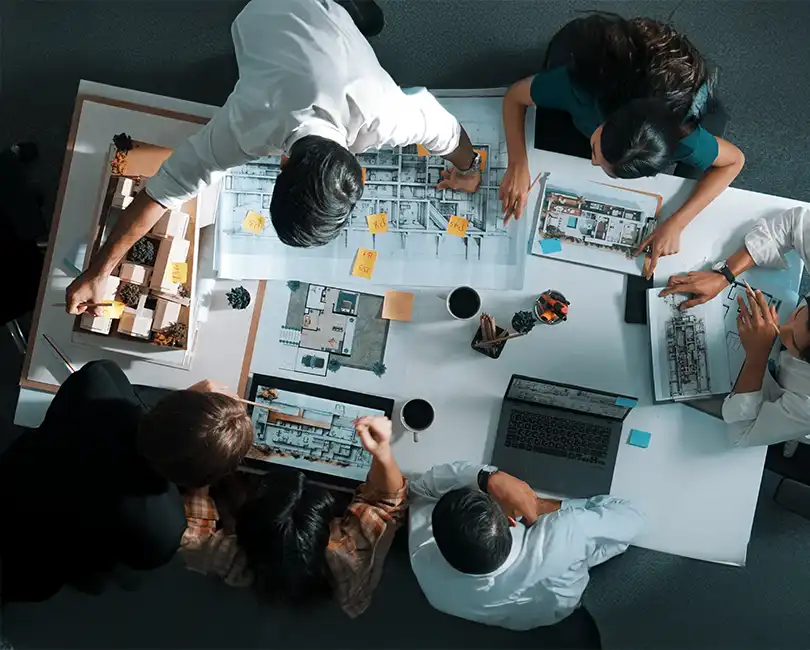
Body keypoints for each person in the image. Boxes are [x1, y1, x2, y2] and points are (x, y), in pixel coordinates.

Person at [65, 0, 482, 315]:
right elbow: (160, 193)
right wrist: (96, 272)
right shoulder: (248, 123)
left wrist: (470, 169)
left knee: (365, 21)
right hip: (261, 10)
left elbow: (449, 134)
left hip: (286, 16)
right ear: (281, 165)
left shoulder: (389, 114)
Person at [500, 13, 745, 279]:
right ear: (603, 123)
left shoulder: (681, 136)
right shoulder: (578, 90)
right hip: (606, 65)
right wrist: (517, 163)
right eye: (597, 153)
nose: (593, 162)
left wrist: (678, 222)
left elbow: (734, 161)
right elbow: (515, 96)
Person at [0, 360, 253, 602]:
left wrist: (189, 405)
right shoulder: (162, 531)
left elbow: (134, 410)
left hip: (14, 479)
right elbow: (135, 557)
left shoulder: (98, 381)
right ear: (201, 481)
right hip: (34, 563)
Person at [180, 415, 407, 618]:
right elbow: (388, 502)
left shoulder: (233, 557)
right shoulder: (351, 558)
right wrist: (382, 451)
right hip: (340, 584)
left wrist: (207, 458)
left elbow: (190, 539)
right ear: (327, 530)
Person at [408, 462, 645, 630]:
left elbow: (420, 490)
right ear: (511, 520)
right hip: (557, 610)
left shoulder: (423, 558)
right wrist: (541, 505)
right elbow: (635, 517)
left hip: (526, 617)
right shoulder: (565, 531)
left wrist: (487, 479)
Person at [661, 206, 810, 447]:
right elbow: (795, 223)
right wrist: (725, 276)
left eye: (792, 343)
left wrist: (757, 357)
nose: (781, 328)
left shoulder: (807, 405)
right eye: (796, 317)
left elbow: (741, 434)